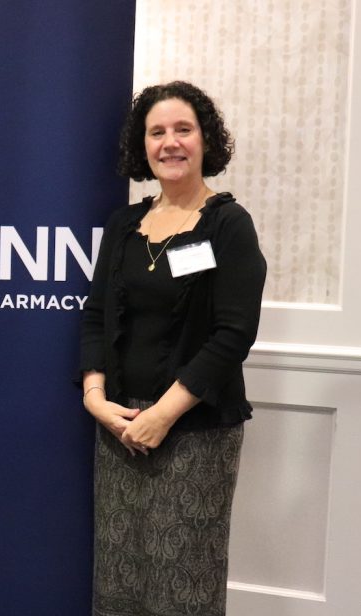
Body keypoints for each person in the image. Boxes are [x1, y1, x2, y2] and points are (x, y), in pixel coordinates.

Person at [79, 81, 266, 616]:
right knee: (118, 584)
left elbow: (233, 334)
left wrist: (161, 416)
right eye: (156, 132)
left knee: (182, 589)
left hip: (194, 433)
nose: (170, 142)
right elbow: (96, 315)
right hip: (119, 425)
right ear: (143, 146)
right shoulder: (124, 225)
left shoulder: (229, 226)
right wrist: (96, 398)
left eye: (183, 129)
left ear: (206, 140)